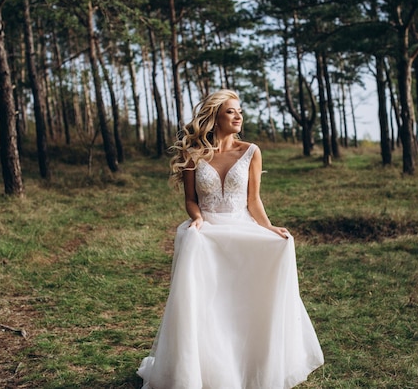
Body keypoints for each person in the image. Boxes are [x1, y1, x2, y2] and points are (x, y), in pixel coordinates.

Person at [137, 89, 324, 389]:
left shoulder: (251, 151)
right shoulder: (193, 154)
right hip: (208, 231)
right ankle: (204, 370)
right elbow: (190, 200)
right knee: (209, 301)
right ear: (215, 116)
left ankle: (250, 363)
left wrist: (270, 228)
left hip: (241, 228)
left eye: (240, 111)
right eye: (231, 111)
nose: (239, 116)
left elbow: (254, 200)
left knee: (254, 285)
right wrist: (197, 219)